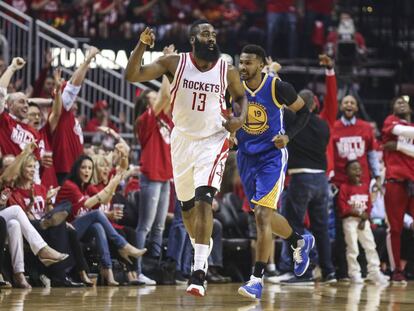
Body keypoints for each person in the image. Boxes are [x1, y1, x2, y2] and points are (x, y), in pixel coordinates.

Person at [125, 20, 248, 297]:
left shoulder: (226, 71)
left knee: (205, 199)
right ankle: (200, 251)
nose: (212, 37)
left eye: (214, 33)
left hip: (213, 140)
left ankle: (198, 271)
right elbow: (132, 75)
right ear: (193, 40)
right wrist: (142, 45)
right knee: (187, 208)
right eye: (206, 33)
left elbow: (241, 98)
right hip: (181, 141)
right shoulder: (174, 63)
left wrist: (238, 120)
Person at [234, 44, 313, 300]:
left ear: (259, 65)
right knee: (262, 215)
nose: (243, 67)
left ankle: (256, 280)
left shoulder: (278, 87)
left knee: (262, 215)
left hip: (271, 157)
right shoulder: (234, 86)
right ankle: (298, 240)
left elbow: (304, 112)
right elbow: (226, 113)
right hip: (245, 156)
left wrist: (288, 136)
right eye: (241, 62)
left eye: (248, 63)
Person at [276, 55, 337, 285]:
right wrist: (330, 72)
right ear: (315, 105)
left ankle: (302, 272)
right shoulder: (323, 124)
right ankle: (329, 271)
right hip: (321, 181)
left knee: (294, 226)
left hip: (300, 179)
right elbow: (332, 103)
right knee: (321, 228)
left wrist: (274, 74)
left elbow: (277, 99)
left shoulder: (292, 119)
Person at [56, 155, 146, 286]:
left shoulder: (87, 187)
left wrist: (113, 183)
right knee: (97, 214)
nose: (87, 171)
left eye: (89, 168)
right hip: (63, 229)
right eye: (83, 168)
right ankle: (123, 246)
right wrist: (112, 184)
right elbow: (87, 204)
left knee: (98, 226)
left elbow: (105, 200)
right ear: (76, 169)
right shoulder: (70, 186)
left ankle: (108, 270)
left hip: (78, 231)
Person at [134, 73, 173, 285]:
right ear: (145, 103)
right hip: (151, 176)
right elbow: (164, 96)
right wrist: (167, 67)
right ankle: (137, 270)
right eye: (152, 97)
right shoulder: (144, 121)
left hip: (165, 176)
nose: (157, 98)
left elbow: (166, 98)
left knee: (159, 227)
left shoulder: (164, 119)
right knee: (145, 226)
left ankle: (154, 268)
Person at [51, 46, 100, 185]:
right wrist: (88, 59)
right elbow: (73, 86)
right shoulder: (61, 111)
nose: (75, 101)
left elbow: (72, 83)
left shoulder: (69, 115)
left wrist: (84, 67)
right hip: (65, 172)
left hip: (74, 171)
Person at [337, 160, 389, 284]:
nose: (357, 171)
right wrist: (358, 214)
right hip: (349, 220)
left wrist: (364, 218)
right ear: (346, 172)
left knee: (370, 245)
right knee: (353, 247)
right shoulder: (344, 187)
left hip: (363, 221)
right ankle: (354, 272)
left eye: (359, 169)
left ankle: (374, 272)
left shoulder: (365, 187)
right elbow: (343, 208)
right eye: (353, 169)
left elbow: (369, 206)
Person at [381, 96, 414, 283]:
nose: (401, 103)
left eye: (404, 102)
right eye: (397, 102)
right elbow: (399, 130)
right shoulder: (390, 121)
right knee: (395, 228)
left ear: (410, 108)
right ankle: (396, 271)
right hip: (395, 181)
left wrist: (399, 146)